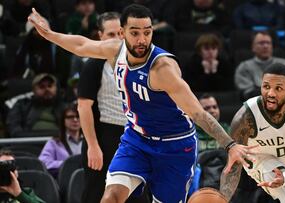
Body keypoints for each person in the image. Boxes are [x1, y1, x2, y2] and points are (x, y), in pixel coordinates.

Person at [27, 4, 255, 202]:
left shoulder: (163, 69)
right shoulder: (115, 51)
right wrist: (48, 34)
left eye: (147, 32)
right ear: (122, 32)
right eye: (134, 33)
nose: (142, 39)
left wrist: (230, 145)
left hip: (174, 146)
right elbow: (81, 45)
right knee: (111, 197)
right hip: (136, 140)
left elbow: (198, 113)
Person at [220, 63, 285, 203]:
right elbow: (233, 166)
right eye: (266, 87)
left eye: (278, 88)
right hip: (260, 158)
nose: (271, 93)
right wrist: (222, 198)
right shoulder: (245, 117)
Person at [77, 12, 149, 203]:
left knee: (137, 194)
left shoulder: (140, 62)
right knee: (97, 192)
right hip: (103, 137)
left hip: (134, 135)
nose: (116, 39)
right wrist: (92, 146)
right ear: (99, 36)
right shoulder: (93, 65)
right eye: (110, 35)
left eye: (119, 33)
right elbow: (83, 107)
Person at [234, 31, 285, 100]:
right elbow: (247, 92)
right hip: (256, 104)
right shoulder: (244, 66)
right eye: (261, 43)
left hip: (284, 102)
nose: (265, 46)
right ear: (253, 47)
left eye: (268, 43)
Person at [6, 73, 64, 137]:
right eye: (42, 87)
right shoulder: (22, 105)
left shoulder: (64, 107)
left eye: (50, 86)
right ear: (34, 90)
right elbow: (14, 129)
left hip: (59, 143)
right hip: (29, 143)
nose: (47, 89)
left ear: (56, 88)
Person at [38, 103, 82, 177]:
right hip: (63, 181)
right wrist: (68, 164)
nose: (75, 119)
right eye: (70, 117)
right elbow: (43, 162)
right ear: (63, 120)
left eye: (78, 116)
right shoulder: (54, 142)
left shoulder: (91, 142)